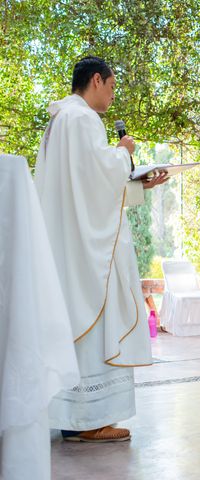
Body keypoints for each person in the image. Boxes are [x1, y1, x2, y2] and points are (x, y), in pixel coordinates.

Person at [34, 56, 167, 442]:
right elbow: (97, 176)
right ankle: (89, 421)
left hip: (69, 241)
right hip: (87, 250)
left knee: (75, 322)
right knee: (96, 318)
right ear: (96, 80)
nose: (111, 96)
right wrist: (123, 150)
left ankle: (72, 416)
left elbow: (86, 185)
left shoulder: (61, 120)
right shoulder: (83, 120)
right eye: (111, 87)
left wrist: (140, 185)